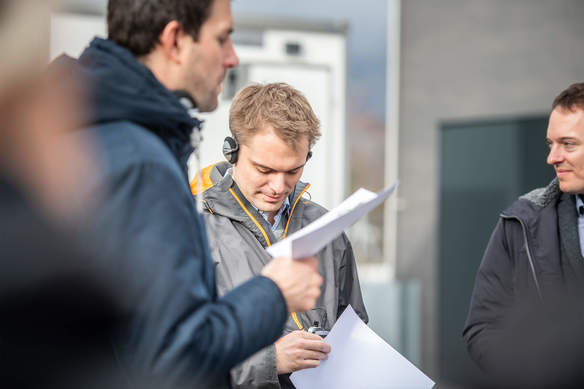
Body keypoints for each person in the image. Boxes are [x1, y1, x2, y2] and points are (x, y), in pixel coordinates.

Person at [68, 0, 323, 387]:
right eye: (222, 38)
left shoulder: (94, 134)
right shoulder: (140, 161)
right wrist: (274, 295)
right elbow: (167, 357)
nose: (232, 58)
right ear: (174, 41)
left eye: (292, 170)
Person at [192, 83, 368, 388]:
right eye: (264, 170)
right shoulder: (194, 230)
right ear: (231, 151)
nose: (277, 186)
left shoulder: (326, 228)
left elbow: (354, 328)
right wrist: (269, 361)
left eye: (293, 171)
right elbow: (177, 359)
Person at [463, 82, 584, 388]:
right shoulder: (520, 221)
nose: (553, 157)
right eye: (550, 144)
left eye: (568, 144)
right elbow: (481, 328)